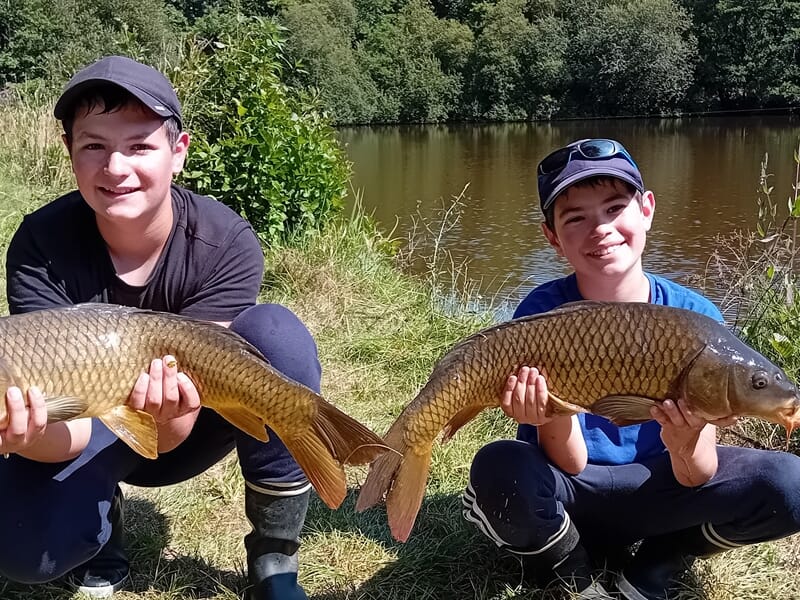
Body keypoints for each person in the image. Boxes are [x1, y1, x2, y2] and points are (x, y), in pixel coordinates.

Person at [0, 55, 317, 600]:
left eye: (139, 146)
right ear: (71, 154)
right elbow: (69, 429)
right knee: (26, 553)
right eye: (93, 146)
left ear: (178, 151)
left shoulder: (225, 240)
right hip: (85, 428)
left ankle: (274, 559)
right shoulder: (39, 245)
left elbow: (177, 424)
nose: (115, 168)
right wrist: (25, 438)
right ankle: (102, 528)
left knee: (275, 338)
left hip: (191, 420)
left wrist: (163, 417)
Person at [461, 138, 800, 599]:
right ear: (552, 237)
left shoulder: (696, 318)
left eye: (615, 207)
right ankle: (570, 567)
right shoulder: (540, 314)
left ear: (647, 209)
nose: (600, 229)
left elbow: (696, 475)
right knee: (499, 467)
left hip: (662, 494)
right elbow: (571, 463)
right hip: (572, 493)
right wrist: (552, 413)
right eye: (575, 217)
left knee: (790, 484)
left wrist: (685, 441)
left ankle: (658, 563)